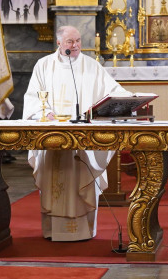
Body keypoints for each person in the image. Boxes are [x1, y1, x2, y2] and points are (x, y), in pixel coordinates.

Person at [22, 26, 126, 241]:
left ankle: (84, 230)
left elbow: (113, 91)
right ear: (59, 43)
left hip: (82, 137)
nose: (76, 45)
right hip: (53, 135)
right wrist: (45, 112)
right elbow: (32, 97)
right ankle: (53, 230)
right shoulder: (44, 65)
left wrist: (129, 99)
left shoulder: (91, 66)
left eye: (78, 40)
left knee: (82, 178)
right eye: (70, 41)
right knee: (53, 180)